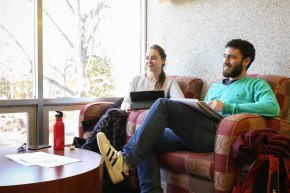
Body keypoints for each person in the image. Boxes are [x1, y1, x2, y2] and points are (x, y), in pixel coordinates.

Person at [96, 39, 280, 193]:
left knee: (163, 104)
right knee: (147, 138)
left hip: (217, 136)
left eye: (232, 57)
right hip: (197, 131)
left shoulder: (256, 85)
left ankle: (125, 161)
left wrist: (228, 106)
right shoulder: (216, 86)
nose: (226, 61)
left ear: (246, 61)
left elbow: (273, 108)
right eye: (224, 56)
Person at [81, 44, 184, 153]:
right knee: (114, 114)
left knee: (114, 116)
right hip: (130, 114)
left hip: (150, 120)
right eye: (147, 58)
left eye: (153, 58)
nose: (149, 61)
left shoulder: (170, 83)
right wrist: (127, 107)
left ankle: (89, 151)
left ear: (163, 60)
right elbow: (125, 102)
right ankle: (91, 151)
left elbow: (181, 104)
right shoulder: (137, 79)